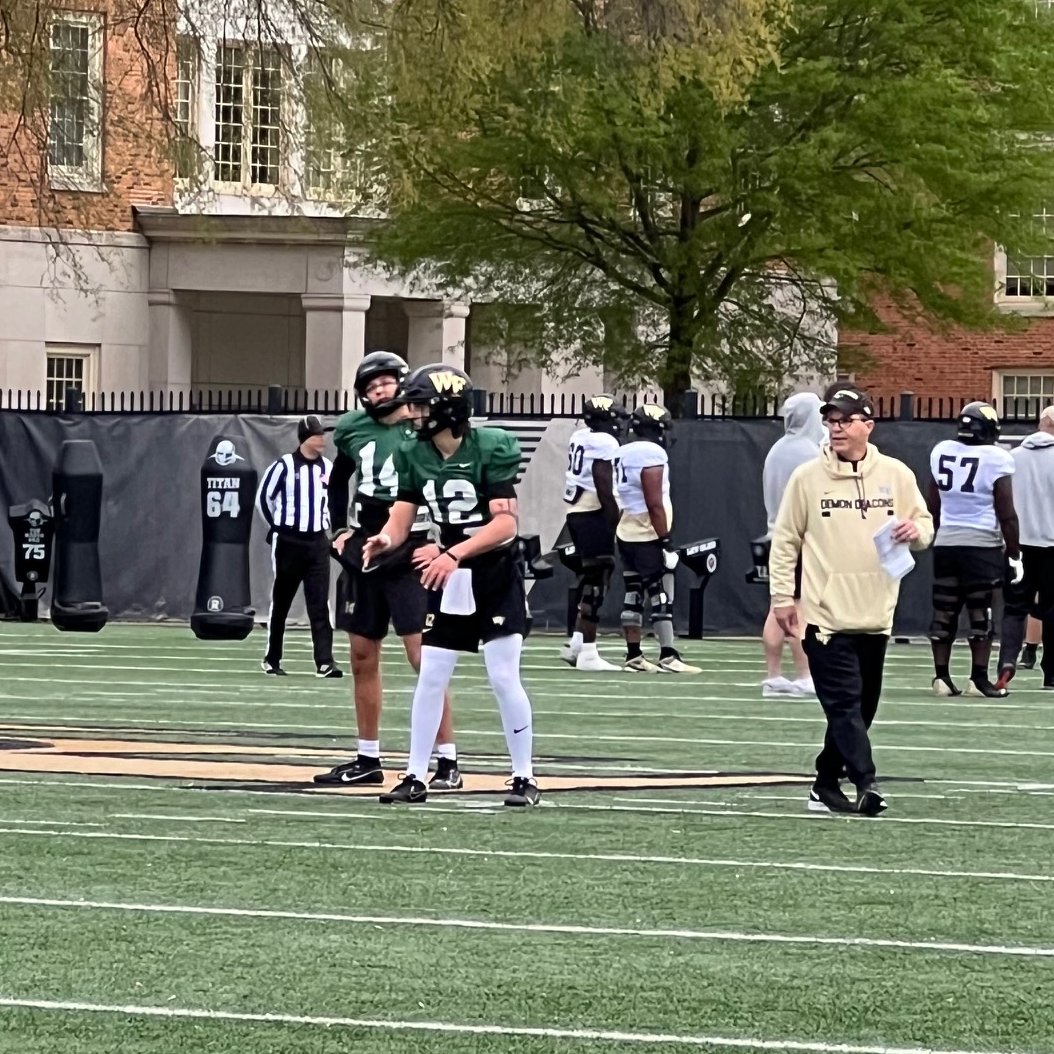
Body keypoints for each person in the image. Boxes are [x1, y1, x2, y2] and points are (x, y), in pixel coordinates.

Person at [363, 363, 540, 807]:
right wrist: (386, 538)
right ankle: (415, 776)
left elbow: (505, 525)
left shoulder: (490, 447)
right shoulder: (413, 454)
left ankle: (524, 777)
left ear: (448, 409)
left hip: (493, 573)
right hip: (452, 575)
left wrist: (454, 553)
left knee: (502, 675)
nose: (413, 414)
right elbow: (401, 516)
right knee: (431, 675)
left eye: (422, 406)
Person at [769, 385, 933, 817]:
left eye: (845, 420)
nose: (836, 428)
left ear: (868, 425)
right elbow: (785, 540)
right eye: (831, 420)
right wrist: (782, 597)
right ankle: (866, 782)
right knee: (844, 705)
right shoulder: (807, 477)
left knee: (861, 709)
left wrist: (915, 532)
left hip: (876, 612)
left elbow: (924, 523)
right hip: (825, 616)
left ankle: (825, 782)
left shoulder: (896, 474)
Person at [314, 351, 460, 789]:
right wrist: (338, 531)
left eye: (384, 383)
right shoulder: (353, 428)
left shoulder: (423, 426)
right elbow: (338, 480)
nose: (378, 391)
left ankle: (448, 760)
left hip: (414, 545)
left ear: (401, 383)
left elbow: (449, 484)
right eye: (370, 386)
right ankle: (368, 756)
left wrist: (440, 543)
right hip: (367, 545)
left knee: (424, 658)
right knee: (362, 655)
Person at [926, 401, 1021, 698]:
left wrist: (937, 532)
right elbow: (1005, 511)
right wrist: (1015, 552)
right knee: (981, 612)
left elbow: (933, 502)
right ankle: (978, 678)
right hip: (981, 544)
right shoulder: (996, 457)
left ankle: (941, 677)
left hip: (946, 541)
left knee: (944, 610)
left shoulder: (941, 450)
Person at [615, 403, 700, 674]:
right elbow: (653, 501)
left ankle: (633, 655)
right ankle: (667, 654)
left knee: (633, 591)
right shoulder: (650, 452)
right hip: (645, 531)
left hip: (626, 527)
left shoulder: (622, 451)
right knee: (659, 593)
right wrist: (665, 539)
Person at [256, 414, 343, 678]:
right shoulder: (283, 466)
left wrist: (326, 524)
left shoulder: (327, 468)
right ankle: (272, 658)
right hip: (289, 541)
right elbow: (264, 499)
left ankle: (325, 662)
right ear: (307, 438)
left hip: (317, 541)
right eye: (319, 435)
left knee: (320, 603)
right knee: (281, 600)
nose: (323, 439)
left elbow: (334, 499)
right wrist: (279, 527)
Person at [760, 392, 824, 697]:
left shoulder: (777, 449)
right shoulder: (809, 452)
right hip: (800, 538)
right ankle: (804, 674)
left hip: (775, 534)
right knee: (800, 608)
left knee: (778, 606)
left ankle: (773, 675)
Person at [559, 394, 624, 672]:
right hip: (593, 511)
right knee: (598, 578)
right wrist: (613, 517)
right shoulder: (604, 441)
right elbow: (602, 481)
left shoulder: (581, 435)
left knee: (590, 577)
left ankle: (576, 643)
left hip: (576, 511)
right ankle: (588, 652)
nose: (619, 423)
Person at [995, 405, 1054, 690]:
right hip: (1052, 545)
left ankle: (1006, 663)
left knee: (1015, 607)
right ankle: (1052, 672)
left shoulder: (1012, 458)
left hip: (1017, 545)